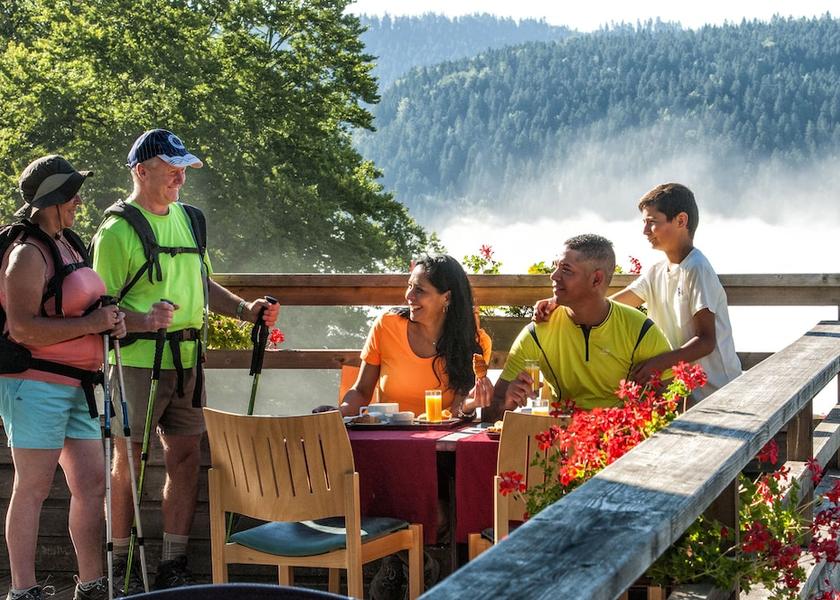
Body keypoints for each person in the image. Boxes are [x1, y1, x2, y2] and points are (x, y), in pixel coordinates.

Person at [89, 129, 279, 592]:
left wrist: (243, 309)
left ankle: (173, 563)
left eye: (184, 168)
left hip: (190, 358)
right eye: (171, 168)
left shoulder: (190, 221)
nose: (180, 177)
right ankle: (121, 564)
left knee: (187, 456)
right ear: (141, 170)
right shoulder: (116, 231)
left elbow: (201, 279)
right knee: (128, 459)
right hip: (136, 361)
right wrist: (142, 319)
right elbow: (98, 312)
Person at [0, 155, 126, 600]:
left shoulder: (67, 243)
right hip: (34, 386)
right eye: (71, 193)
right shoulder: (27, 255)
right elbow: (22, 328)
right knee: (32, 487)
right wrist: (92, 326)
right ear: (51, 199)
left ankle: (92, 584)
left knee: (91, 485)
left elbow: (78, 306)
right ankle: (24, 590)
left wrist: (112, 321)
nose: (78, 200)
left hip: (78, 388)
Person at [535, 184, 741, 403]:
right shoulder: (656, 272)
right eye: (644, 223)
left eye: (652, 223)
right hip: (682, 393)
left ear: (681, 221)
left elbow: (706, 341)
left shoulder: (697, 268)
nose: (644, 231)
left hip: (716, 393)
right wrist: (559, 303)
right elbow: (606, 305)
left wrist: (658, 363)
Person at [485, 234, 671, 421]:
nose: (554, 276)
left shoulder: (640, 330)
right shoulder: (538, 331)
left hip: (623, 440)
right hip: (557, 442)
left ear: (596, 280)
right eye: (555, 266)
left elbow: (673, 401)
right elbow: (489, 414)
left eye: (566, 270)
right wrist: (506, 404)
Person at [339, 254, 493, 419]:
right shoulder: (386, 325)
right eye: (410, 286)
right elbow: (361, 391)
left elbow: (458, 411)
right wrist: (336, 414)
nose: (409, 296)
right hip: (389, 435)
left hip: (440, 439)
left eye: (419, 290)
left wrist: (470, 404)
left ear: (446, 297)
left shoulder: (476, 342)